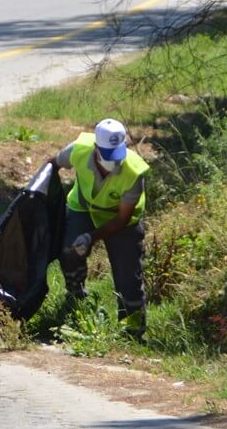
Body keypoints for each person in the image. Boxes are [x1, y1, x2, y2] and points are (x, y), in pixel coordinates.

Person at [49, 119, 151, 339]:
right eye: (107, 154)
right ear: (96, 148)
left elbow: (121, 220)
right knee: (69, 250)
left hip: (122, 221)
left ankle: (132, 331)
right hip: (84, 207)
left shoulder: (133, 173)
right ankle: (76, 296)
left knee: (128, 278)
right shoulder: (80, 150)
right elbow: (53, 163)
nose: (114, 161)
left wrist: (91, 237)